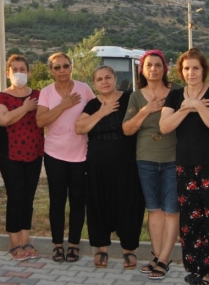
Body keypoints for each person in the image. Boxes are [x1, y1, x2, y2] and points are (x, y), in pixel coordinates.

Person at [159, 48, 209, 285]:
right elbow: (165, 127)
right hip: (186, 165)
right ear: (181, 71)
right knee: (190, 219)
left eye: (195, 68)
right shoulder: (175, 96)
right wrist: (185, 107)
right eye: (186, 68)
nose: (191, 72)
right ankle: (195, 266)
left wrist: (199, 106)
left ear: (204, 70)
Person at [76, 66, 144, 270]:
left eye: (107, 77)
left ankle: (128, 250)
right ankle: (102, 248)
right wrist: (101, 112)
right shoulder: (92, 104)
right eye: (99, 79)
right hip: (97, 164)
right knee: (98, 206)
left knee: (128, 206)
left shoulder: (130, 98)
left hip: (127, 164)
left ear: (115, 79)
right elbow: (80, 128)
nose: (104, 81)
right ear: (94, 84)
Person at [123, 50, 181, 280]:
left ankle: (165, 259)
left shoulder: (177, 91)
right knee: (154, 209)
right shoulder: (136, 97)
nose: (154, 69)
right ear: (142, 69)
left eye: (158, 65)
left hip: (174, 158)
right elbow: (127, 129)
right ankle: (156, 256)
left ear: (164, 68)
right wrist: (147, 110)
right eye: (149, 65)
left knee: (171, 211)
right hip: (145, 158)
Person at [36, 52, 95, 262]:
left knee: (78, 201)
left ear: (72, 67)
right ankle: (57, 245)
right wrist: (63, 105)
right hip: (55, 155)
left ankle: (74, 245)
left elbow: (95, 114)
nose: (62, 70)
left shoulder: (84, 89)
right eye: (57, 67)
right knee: (57, 201)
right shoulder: (46, 93)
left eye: (65, 66)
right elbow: (40, 121)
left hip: (81, 155)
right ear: (51, 71)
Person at [0, 55, 44, 261]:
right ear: (7, 73)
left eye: (22, 69)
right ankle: (14, 243)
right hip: (10, 155)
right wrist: (25, 108)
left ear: (28, 72)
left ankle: (26, 240)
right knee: (15, 199)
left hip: (34, 153)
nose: (18, 73)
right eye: (14, 69)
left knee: (28, 199)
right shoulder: (2, 97)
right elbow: (3, 119)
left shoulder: (40, 95)